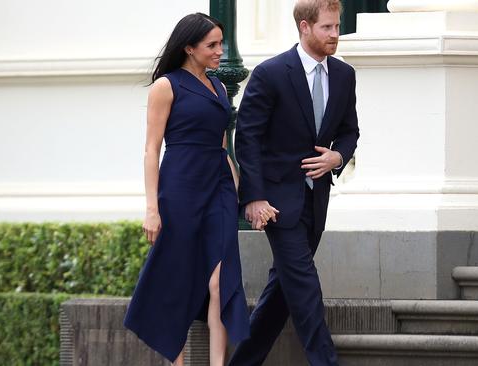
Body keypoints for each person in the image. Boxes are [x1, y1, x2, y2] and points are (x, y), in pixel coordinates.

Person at [228, 0, 359, 365]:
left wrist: (337, 157)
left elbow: (350, 130)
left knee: (282, 291)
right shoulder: (270, 73)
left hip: (317, 201)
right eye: (327, 28)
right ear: (304, 27)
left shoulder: (345, 75)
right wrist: (253, 197)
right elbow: (248, 139)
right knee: (303, 285)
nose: (335, 35)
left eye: (337, 27)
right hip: (277, 204)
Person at [123, 13, 250, 366]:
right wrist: (152, 207)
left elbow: (223, 143)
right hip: (180, 186)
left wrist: (238, 190)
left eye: (221, 43)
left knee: (219, 284)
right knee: (176, 276)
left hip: (220, 187)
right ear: (189, 48)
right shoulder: (166, 86)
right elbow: (152, 148)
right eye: (211, 45)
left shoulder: (220, 87)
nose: (220, 51)